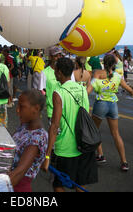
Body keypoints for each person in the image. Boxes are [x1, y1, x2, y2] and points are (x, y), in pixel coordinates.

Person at [42, 57, 97, 192]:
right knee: (80, 182)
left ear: (59, 72)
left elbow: (54, 126)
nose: (54, 73)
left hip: (66, 147)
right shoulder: (82, 89)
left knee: (58, 184)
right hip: (84, 144)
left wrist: (47, 155)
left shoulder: (58, 93)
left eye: (55, 70)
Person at [88, 54, 133, 171]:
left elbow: (87, 91)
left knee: (94, 130)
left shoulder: (98, 75)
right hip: (113, 105)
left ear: (103, 63)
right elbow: (130, 91)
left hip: (101, 104)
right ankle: (124, 162)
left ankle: (101, 155)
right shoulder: (117, 76)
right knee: (115, 134)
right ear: (114, 64)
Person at [9, 90, 48, 192]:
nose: (17, 110)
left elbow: (19, 173)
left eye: (22, 107)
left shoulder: (37, 138)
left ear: (36, 109)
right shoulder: (25, 126)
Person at [41, 46, 62, 123]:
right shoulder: (44, 72)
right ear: (50, 57)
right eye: (56, 56)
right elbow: (42, 92)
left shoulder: (65, 70)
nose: (58, 58)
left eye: (60, 55)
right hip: (52, 111)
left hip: (66, 110)